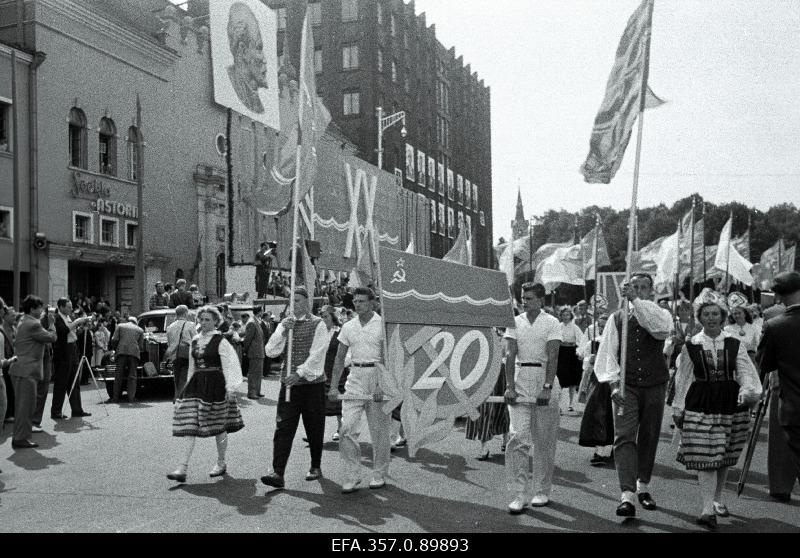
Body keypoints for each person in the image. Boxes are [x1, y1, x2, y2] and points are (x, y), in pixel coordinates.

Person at [672, 290, 761, 529]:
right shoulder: (691, 346)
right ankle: (706, 508)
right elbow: (683, 378)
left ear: (723, 316)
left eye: (715, 314)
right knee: (707, 454)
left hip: (730, 402)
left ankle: (717, 499)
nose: (711, 318)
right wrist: (678, 407)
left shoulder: (735, 344)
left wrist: (748, 391)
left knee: (723, 455)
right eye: (706, 314)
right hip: (700, 401)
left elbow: (745, 372)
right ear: (699, 317)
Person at [594, 273, 673, 518]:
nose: (638, 290)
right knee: (624, 436)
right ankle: (626, 494)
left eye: (643, 287)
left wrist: (636, 303)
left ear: (651, 291)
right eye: (634, 287)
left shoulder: (662, 313)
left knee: (649, 434)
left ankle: (643, 485)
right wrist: (614, 385)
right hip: (627, 385)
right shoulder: (617, 319)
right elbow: (607, 354)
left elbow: (659, 331)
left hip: (654, 385)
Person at [261, 287, 330, 488]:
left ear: (307, 302)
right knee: (283, 427)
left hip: (311, 385)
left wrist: (299, 373)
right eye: (292, 301)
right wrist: (282, 329)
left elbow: (318, 354)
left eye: (298, 300)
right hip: (289, 386)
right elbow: (271, 351)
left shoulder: (318, 324)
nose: (295, 304)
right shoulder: (286, 324)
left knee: (314, 426)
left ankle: (315, 465)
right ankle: (278, 472)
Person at [503, 282, 562, 512]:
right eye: (522, 297)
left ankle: (541, 490)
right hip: (519, 379)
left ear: (540, 300)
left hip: (544, 378)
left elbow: (553, 355)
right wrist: (509, 386)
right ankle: (519, 494)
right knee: (517, 438)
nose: (523, 301)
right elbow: (509, 354)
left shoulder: (551, 322)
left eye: (528, 298)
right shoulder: (515, 322)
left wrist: (547, 387)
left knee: (543, 441)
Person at [168, 306, 244, 482]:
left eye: (207, 319)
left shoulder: (221, 341)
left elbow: (231, 365)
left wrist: (231, 388)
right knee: (190, 424)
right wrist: (186, 388)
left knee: (219, 425)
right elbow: (192, 368)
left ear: (216, 321)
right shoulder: (194, 340)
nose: (203, 323)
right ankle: (182, 468)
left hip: (216, 384)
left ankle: (221, 461)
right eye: (201, 319)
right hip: (197, 385)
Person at [327, 287, 390, 493]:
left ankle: (379, 473)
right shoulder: (348, 326)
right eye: (355, 301)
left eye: (362, 301)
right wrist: (334, 386)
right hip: (355, 377)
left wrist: (383, 385)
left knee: (379, 432)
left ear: (372, 303)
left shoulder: (382, 325)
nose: (357, 304)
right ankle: (352, 476)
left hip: (377, 376)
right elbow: (339, 358)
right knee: (347, 429)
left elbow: (388, 359)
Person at [757, 271, 800, 495]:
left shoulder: (775, 324)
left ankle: (781, 487)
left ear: (779, 296)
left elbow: (764, 364)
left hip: (792, 404)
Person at [9, 296, 57, 449]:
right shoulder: (33, 324)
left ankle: (20, 436)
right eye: (39, 308)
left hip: (20, 368)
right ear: (32, 309)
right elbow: (52, 337)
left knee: (22, 406)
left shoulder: (23, 320)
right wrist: (51, 324)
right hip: (27, 370)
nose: (42, 311)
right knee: (26, 407)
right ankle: (20, 438)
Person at [577, 312, 614, 466]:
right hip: (597, 381)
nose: (602, 328)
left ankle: (608, 449)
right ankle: (600, 450)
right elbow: (584, 360)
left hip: (612, 380)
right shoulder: (593, 343)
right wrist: (589, 359)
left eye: (605, 326)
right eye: (600, 326)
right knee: (597, 413)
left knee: (610, 414)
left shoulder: (615, 342)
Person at [467, 327, 509, 460]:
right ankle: (485, 448)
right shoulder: (477, 333)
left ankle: (506, 440)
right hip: (481, 373)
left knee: (503, 407)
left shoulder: (506, 335)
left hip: (501, 373)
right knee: (484, 409)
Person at [50, 298, 93, 420]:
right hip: (63, 352)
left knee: (74, 381)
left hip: (73, 349)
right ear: (61, 307)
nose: (70, 309)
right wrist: (78, 321)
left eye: (71, 307)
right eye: (68, 307)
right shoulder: (57, 318)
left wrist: (82, 327)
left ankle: (77, 409)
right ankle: (56, 411)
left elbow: (73, 333)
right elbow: (63, 331)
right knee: (61, 382)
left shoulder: (69, 317)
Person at [226, 1, 269, 114]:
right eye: (259, 48)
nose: (265, 60)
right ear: (243, 51)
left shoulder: (255, 98)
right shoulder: (229, 84)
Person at [664, 300, 702, 406]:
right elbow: (670, 336)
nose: (684, 311)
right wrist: (674, 339)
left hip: (690, 355)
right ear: (678, 311)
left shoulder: (696, 324)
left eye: (686, 309)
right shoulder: (674, 323)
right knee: (676, 378)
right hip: (676, 354)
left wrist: (691, 338)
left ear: (690, 311)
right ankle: (673, 400)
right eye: (681, 309)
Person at [321, 305, 348, 442]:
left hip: (337, 370)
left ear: (333, 317)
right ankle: (316, 432)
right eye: (322, 316)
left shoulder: (340, 331)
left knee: (338, 402)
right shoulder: (320, 331)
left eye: (326, 316)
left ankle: (340, 429)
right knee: (319, 404)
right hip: (322, 370)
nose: (323, 319)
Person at [109, 316, 144, 403]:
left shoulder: (120, 326)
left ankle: (115, 397)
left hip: (121, 352)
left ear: (128, 321)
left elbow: (114, 340)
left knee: (118, 375)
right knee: (132, 376)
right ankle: (131, 398)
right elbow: (140, 346)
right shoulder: (140, 330)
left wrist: (116, 348)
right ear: (135, 323)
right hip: (134, 353)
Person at [556, 306, 584, 415]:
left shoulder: (575, 327)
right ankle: (559, 406)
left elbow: (581, 340)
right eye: (563, 315)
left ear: (571, 316)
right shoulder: (558, 327)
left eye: (567, 315)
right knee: (561, 379)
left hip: (572, 353)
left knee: (572, 380)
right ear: (561, 316)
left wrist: (578, 350)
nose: (565, 317)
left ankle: (571, 404)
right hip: (561, 353)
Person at [165, 305, 194, 400]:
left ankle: (177, 395)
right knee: (185, 376)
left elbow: (169, 343)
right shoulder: (190, 325)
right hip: (186, 354)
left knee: (176, 377)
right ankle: (180, 397)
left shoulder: (169, 327)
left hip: (175, 355)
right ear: (185, 313)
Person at [243, 306, 265, 399]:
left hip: (259, 352)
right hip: (254, 352)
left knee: (259, 373)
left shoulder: (256, 321)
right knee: (253, 373)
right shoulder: (252, 322)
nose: (263, 313)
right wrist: (246, 350)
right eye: (262, 311)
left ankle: (257, 391)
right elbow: (247, 339)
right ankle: (251, 392)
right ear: (259, 312)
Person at [1, 302, 17, 424]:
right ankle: (7, 414)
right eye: (12, 316)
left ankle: (11, 412)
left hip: (13, 363)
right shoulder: (1, 330)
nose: (14, 318)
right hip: (5, 364)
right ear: (5, 316)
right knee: (7, 391)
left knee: (12, 390)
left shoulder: (14, 328)